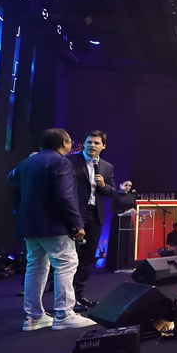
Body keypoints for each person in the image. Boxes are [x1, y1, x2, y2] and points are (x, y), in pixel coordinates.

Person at [9, 128, 97, 331]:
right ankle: (64, 314)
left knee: (35, 267)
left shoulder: (26, 162)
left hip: (29, 224)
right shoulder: (61, 162)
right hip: (54, 225)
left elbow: (11, 177)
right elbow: (65, 197)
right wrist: (76, 224)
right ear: (65, 143)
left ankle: (33, 317)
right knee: (66, 263)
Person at [67, 130, 116, 311]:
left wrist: (103, 185)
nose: (92, 146)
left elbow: (113, 192)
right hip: (75, 213)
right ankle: (66, 298)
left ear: (103, 146)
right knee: (70, 256)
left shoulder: (107, 167)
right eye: (89, 142)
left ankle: (79, 295)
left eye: (96, 143)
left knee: (87, 257)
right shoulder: (71, 161)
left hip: (95, 214)